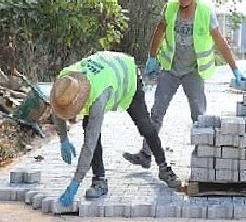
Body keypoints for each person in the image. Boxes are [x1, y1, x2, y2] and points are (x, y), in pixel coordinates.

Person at [123, 0, 246, 168]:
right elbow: (159, 30)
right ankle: (146, 154)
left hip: (193, 72)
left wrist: (235, 70)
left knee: (198, 115)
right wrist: (152, 56)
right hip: (170, 69)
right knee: (156, 113)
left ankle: (204, 157)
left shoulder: (206, 13)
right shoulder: (171, 7)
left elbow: (220, 42)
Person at [51, 51, 180, 207]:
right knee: (88, 126)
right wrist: (63, 139)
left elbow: (89, 144)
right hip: (104, 70)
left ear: (79, 100)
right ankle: (99, 180)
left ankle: (164, 168)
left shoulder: (97, 98)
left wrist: (75, 183)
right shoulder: (65, 82)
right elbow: (57, 109)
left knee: (145, 126)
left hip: (127, 76)